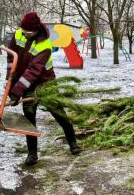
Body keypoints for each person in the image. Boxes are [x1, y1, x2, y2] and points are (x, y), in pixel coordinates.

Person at [6, 12, 82, 165]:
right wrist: (10, 85)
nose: (26, 34)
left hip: (45, 82)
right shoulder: (18, 34)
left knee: (58, 113)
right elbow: (11, 59)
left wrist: (17, 91)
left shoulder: (45, 45)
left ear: (36, 30)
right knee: (29, 117)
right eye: (24, 31)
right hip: (24, 82)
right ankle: (32, 154)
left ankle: (73, 143)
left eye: (29, 32)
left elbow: (33, 71)